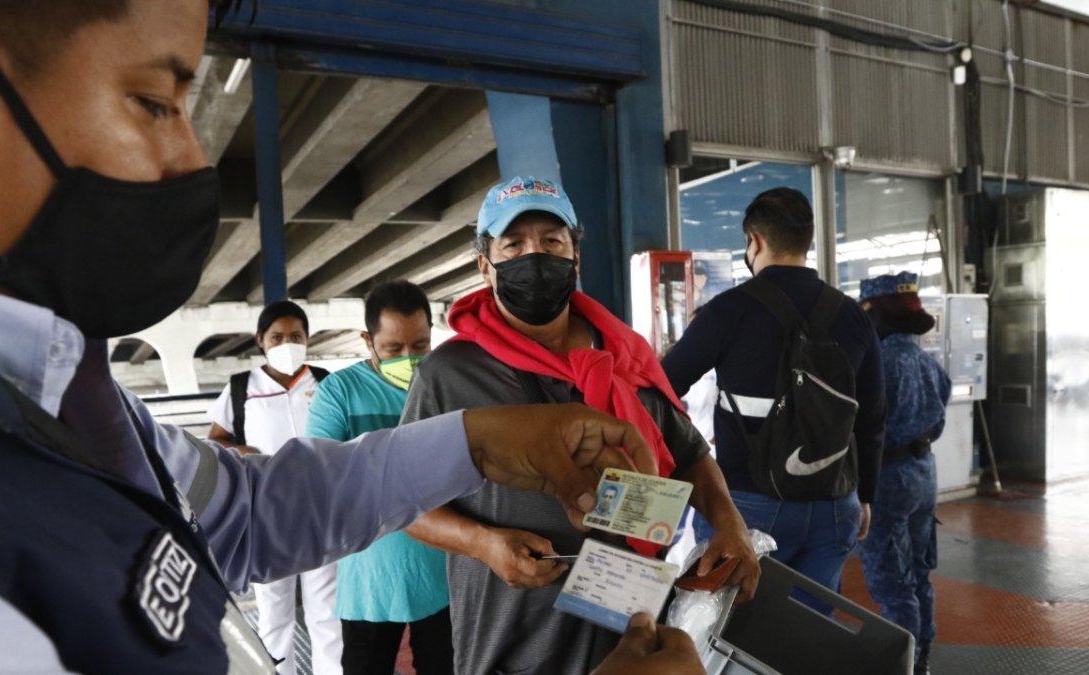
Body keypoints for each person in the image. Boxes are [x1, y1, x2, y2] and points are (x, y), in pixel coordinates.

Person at [0, 3, 685, 672]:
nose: (193, 162)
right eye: (153, 102)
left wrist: (478, 444)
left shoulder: (69, 397)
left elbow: (253, 510)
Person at [402, 176, 761, 674]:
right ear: (485, 266)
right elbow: (404, 502)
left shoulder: (625, 357)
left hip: (628, 630)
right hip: (514, 637)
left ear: (576, 257)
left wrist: (730, 523)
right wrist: (483, 543)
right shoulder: (451, 374)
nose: (535, 256)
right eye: (514, 244)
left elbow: (691, 454)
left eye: (552, 242)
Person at [661, 187, 886, 612]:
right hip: (835, 504)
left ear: (755, 241)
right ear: (807, 242)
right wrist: (867, 494)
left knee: (731, 628)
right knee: (807, 634)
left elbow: (662, 387)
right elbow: (873, 417)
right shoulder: (853, 315)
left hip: (747, 505)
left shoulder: (727, 311)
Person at [306, 281, 452, 675]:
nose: (410, 357)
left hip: (446, 577)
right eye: (393, 348)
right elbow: (322, 478)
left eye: (420, 345)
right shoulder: (339, 393)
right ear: (367, 340)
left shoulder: (447, 384)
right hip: (370, 582)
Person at [207, 300, 342, 674]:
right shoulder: (241, 387)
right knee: (274, 613)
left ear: (307, 339)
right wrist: (241, 450)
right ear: (260, 341)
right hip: (266, 515)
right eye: (277, 337)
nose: (287, 344)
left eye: (295, 336)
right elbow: (215, 439)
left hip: (322, 511)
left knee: (328, 613)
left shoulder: (325, 381)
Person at [856, 272, 951, 675]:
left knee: (893, 585)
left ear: (877, 315)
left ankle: (902, 665)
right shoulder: (927, 362)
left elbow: (863, 426)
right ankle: (922, 657)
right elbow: (939, 420)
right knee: (918, 575)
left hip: (887, 481)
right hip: (923, 473)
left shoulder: (877, 364)